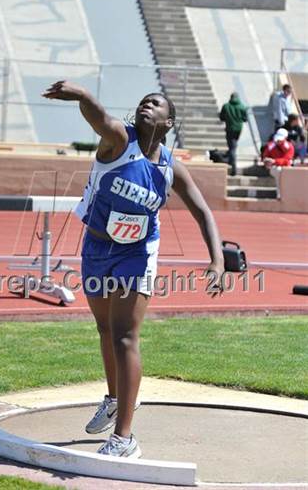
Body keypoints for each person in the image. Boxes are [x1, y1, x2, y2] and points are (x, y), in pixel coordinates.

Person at [42, 80, 224, 458]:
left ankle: (124, 438)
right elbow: (99, 116)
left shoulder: (169, 166)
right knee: (105, 328)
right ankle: (114, 398)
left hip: (137, 253)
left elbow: (203, 211)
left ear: (168, 122)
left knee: (125, 335)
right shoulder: (119, 141)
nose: (147, 106)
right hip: (96, 246)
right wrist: (81, 95)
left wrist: (217, 259)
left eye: (156, 104)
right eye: (143, 101)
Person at [219, 92, 248, 176]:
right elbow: (245, 119)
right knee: (233, 146)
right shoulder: (242, 107)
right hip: (238, 129)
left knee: (232, 148)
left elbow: (222, 117)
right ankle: (231, 161)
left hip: (229, 128)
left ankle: (233, 167)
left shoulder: (226, 106)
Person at [262, 128, 294, 199]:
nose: (278, 141)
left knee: (282, 171)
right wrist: (266, 161)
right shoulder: (271, 145)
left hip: (285, 167)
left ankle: (282, 193)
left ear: (285, 138)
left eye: (280, 139)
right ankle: (279, 193)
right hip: (274, 167)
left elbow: (287, 160)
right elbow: (265, 156)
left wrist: (274, 161)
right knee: (278, 171)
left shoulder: (289, 147)